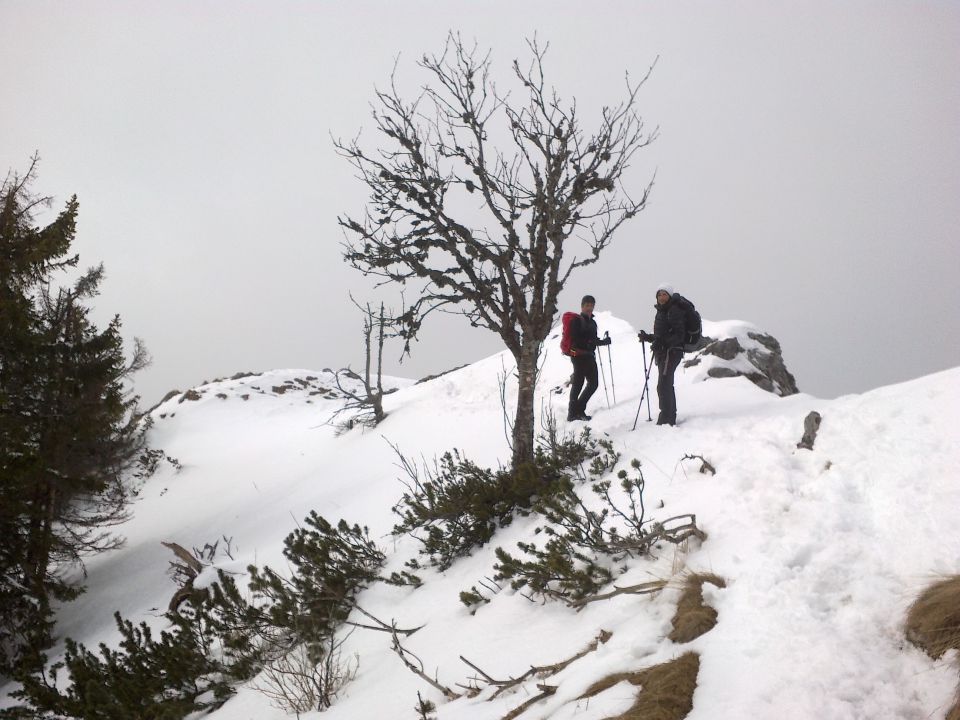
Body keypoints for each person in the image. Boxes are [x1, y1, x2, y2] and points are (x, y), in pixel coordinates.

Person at [639, 283, 685, 426]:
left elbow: (680, 335)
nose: (661, 297)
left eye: (664, 294)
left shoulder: (673, 310)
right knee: (665, 384)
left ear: (669, 295)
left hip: (671, 352)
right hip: (665, 353)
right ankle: (669, 416)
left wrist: (663, 343)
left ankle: (666, 418)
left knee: (663, 385)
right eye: (659, 294)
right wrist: (649, 338)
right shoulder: (662, 311)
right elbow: (663, 335)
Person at [567, 294, 611, 421]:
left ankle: (579, 410)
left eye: (591, 305)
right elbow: (575, 338)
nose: (589, 308)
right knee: (578, 384)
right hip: (579, 356)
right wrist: (588, 342)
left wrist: (604, 342)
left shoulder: (593, 322)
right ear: (582, 306)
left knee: (593, 384)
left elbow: (593, 340)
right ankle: (572, 414)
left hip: (589, 356)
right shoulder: (577, 320)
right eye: (587, 305)